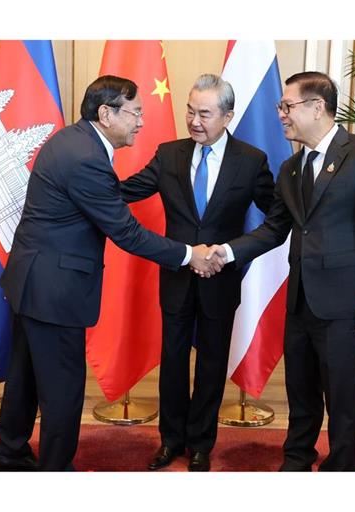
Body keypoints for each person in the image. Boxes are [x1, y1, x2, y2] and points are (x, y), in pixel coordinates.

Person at [0, 75, 220, 472]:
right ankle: (56, 469)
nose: (141, 122)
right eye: (135, 113)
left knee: (25, 376)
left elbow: (107, 204)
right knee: (62, 389)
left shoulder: (75, 141)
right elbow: (127, 232)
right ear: (106, 113)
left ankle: (9, 453)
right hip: (54, 290)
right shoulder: (84, 157)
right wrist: (189, 255)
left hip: (33, 280)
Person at [206, 71, 355, 471]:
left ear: (317, 107)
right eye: (280, 107)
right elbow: (275, 229)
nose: (280, 115)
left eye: (287, 106)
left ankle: (341, 469)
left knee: (341, 397)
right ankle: (296, 461)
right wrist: (226, 251)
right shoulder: (291, 168)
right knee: (301, 391)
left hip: (345, 303)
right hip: (300, 302)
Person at [120, 74, 274, 472]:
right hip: (176, 276)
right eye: (189, 110)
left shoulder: (251, 160)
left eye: (204, 113)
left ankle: (202, 444)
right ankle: (171, 440)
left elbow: (278, 215)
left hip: (221, 280)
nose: (194, 120)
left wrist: (232, 252)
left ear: (227, 116)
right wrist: (82, 178)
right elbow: (128, 190)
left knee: (211, 364)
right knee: (172, 361)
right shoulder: (168, 154)